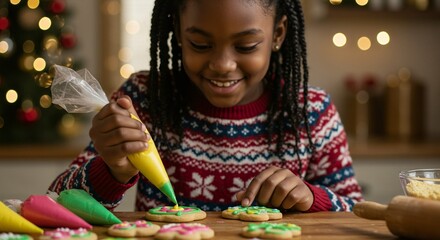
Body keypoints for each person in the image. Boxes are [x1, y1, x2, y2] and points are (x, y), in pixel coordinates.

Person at [48, 0, 363, 212]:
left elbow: (356, 211)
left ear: (278, 34)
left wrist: (312, 197)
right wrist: (112, 170)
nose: (223, 65)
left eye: (245, 46)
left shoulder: (311, 111)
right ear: (178, 31)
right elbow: (59, 202)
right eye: (200, 44)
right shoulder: (145, 98)